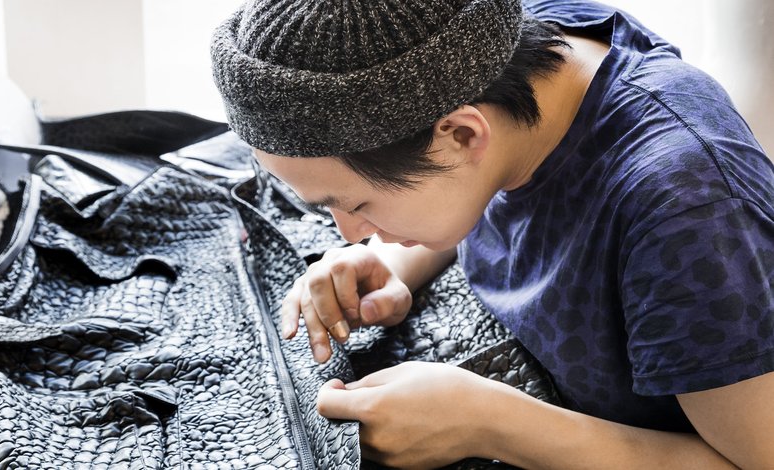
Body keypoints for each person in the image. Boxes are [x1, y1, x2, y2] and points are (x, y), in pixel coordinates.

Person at [211, 0, 774, 468]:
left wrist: (492, 424)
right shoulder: (491, 45)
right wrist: (394, 261)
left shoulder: (689, 209)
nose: (349, 233)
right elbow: (471, 184)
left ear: (459, 134)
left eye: (355, 204)